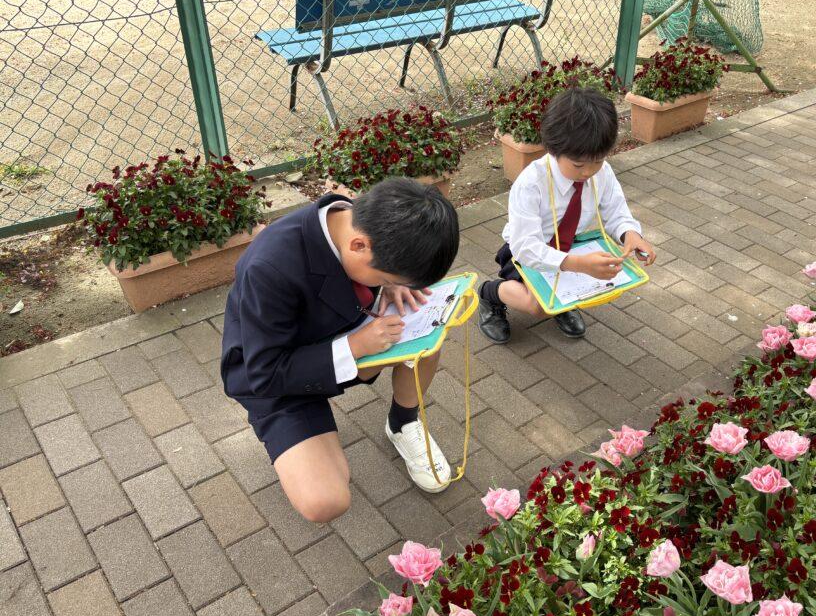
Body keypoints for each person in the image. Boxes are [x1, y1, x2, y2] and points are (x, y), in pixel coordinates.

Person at [220, 179, 460, 523]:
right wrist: (354, 346)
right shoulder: (268, 267)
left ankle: (403, 422)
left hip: (342, 333)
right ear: (359, 246)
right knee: (326, 501)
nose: (389, 286)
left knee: (426, 336)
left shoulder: (360, 222)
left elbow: (369, 270)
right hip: (276, 374)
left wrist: (389, 287)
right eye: (387, 278)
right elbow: (265, 373)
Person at [477, 87, 656, 343]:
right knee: (537, 306)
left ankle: (564, 301)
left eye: (598, 161)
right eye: (578, 164)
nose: (589, 172)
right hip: (528, 251)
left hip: (571, 246)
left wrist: (630, 234)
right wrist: (578, 265)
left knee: (570, 291)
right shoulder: (531, 183)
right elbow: (525, 247)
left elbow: (616, 211)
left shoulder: (603, 173)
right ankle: (489, 294)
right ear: (554, 150)